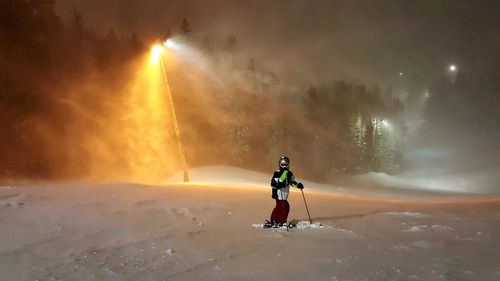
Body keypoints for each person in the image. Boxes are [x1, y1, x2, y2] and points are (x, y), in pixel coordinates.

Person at [267, 156, 304, 227]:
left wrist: (298, 185)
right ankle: (281, 221)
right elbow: (273, 183)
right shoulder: (277, 173)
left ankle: (274, 220)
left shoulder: (289, 173)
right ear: (279, 164)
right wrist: (274, 191)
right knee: (285, 207)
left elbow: (291, 182)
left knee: (279, 207)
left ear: (288, 165)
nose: (284, 167)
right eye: (282, 165)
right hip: (279, 194)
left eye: (286, 165)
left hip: (284, 194)